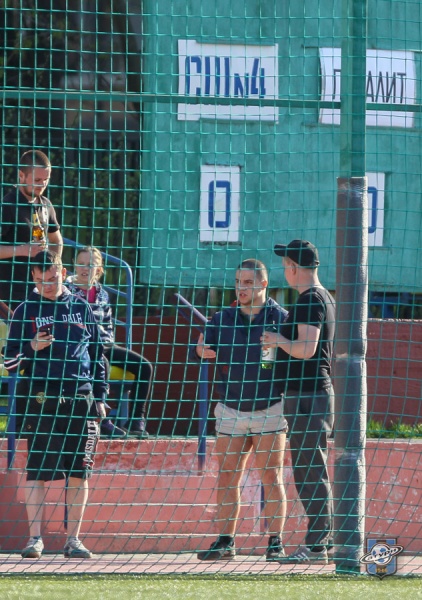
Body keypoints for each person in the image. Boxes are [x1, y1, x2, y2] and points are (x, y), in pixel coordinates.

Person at [4, 250, 107, 559]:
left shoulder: (81, 306)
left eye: (51, 279)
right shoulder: (25, 310)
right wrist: (32, 347)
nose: (46, 286)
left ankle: (73, 540)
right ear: (33, 278)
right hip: (41, 400)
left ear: (63, 273)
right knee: (37, 471)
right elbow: (9, 363)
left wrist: (101, 397)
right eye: (40, 281)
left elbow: (98, 355)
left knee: (79, 472)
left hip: (80, 398)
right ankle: (35, 539)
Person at [194, 259, 288, 561]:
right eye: (238, 282)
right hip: (230, 408)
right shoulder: (222, 318)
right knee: (227, 476)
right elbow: (199, 347)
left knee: (271, 476)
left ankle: (275, 542)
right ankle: (225, 542)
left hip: (269, 407)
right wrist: (201, 349)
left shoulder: (281, 318)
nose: (241, 288)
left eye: (248, 282)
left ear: (263, 284)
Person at [261, 239, 335, 564]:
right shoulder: (320, 297)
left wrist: (277, 339)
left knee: (309, 472)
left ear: (293, 267)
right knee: (309, 470)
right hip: (307, 396)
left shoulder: (311, 299)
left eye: (285, 266)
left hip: (308, 396)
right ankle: (322, 541)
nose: (284, 271)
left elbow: (307, 348)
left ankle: (317, 545)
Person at [65, 246, 152, 439]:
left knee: (144, 366)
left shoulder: (102, 293)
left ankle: (136, 420)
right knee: (100, 362)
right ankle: (102, 419)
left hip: (103, 344)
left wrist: (106, 344)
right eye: (81, 264)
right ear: (74, 265)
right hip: (79, 346)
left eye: (91, 264)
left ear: (99, 269)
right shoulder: (65, 291)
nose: (85, 268)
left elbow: (107, 325)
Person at [0, 149, 63, 311]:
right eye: (37, 180)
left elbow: (56, 240)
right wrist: (22, 250)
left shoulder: (46, 204)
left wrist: (53, 266)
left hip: (39, 293)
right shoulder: (7, 205)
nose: (42, 185)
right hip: (9, 295)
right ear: (21, 175)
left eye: (46, 180)